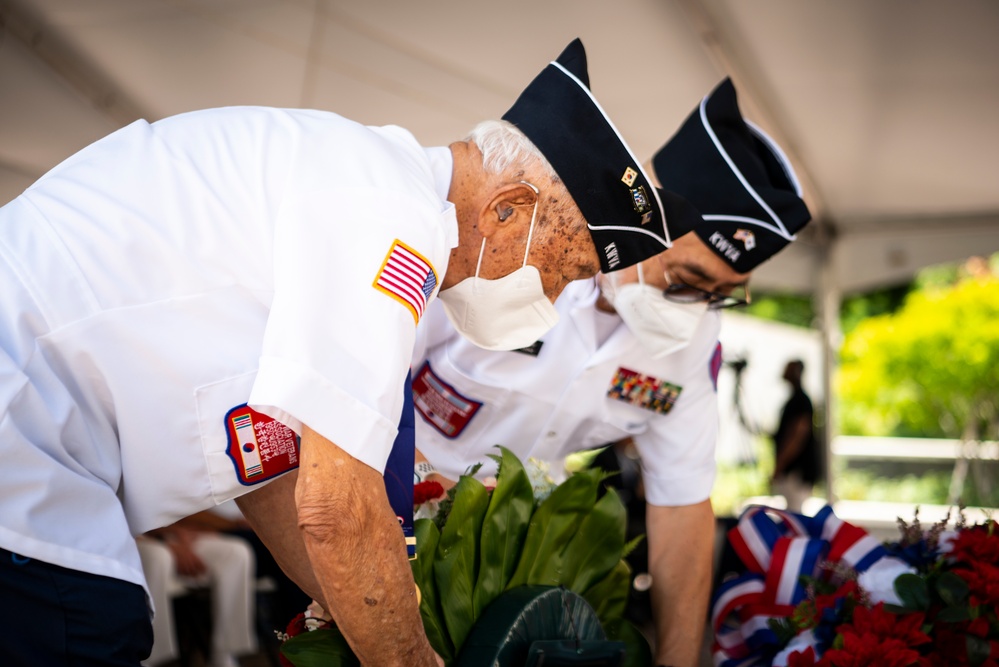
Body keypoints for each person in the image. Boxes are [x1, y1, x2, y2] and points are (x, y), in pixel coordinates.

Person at [0, 39, 688, 666]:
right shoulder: (396, 217)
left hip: (37, 427)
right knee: (90, 628)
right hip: (27, 420)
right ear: (506, 208)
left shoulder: (365, 181)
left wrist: (356, 600)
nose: (556, 295)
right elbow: (335, 503)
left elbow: (271, 467)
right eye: (562, 267)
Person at [410, 78, 812, 667]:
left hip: (514, 559)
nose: (696, 307)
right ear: (648, 204)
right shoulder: (507, 245)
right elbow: (372, 385)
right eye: (687, 278)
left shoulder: (693, 348)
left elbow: (682, 506)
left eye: (721, 294)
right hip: (396, 510)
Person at [137, 510, 258, 667]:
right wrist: (165, 540)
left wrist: (180, 534)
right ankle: (148, 659)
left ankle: (224, 655)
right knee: (158, 557)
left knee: (236, 552)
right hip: (138, 537)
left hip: (173, 530)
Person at [771, 359, 820, 513]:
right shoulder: (795, 400)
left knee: (795, 513)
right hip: (792, 470)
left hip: (797, 471)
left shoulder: (801, 400)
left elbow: (798, 437)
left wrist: (781, 464)